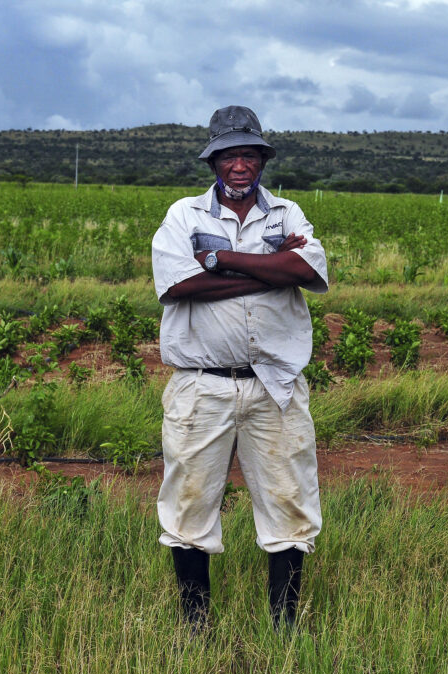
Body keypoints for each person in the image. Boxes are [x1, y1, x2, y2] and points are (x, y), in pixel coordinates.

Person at [150, 105, 329, 631]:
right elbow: (177, 287)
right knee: (188, 505)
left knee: (290, 503)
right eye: (229, 155)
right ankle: (194, 624)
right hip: (202, 385)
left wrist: (221, 260)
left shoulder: (286, 214)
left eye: (249, 154)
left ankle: (284, 627)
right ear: (213, 161)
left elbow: (308, 267)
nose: (239, 165)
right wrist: (271, 273)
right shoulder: (185, 215)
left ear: (261, 160)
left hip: (276, 384)